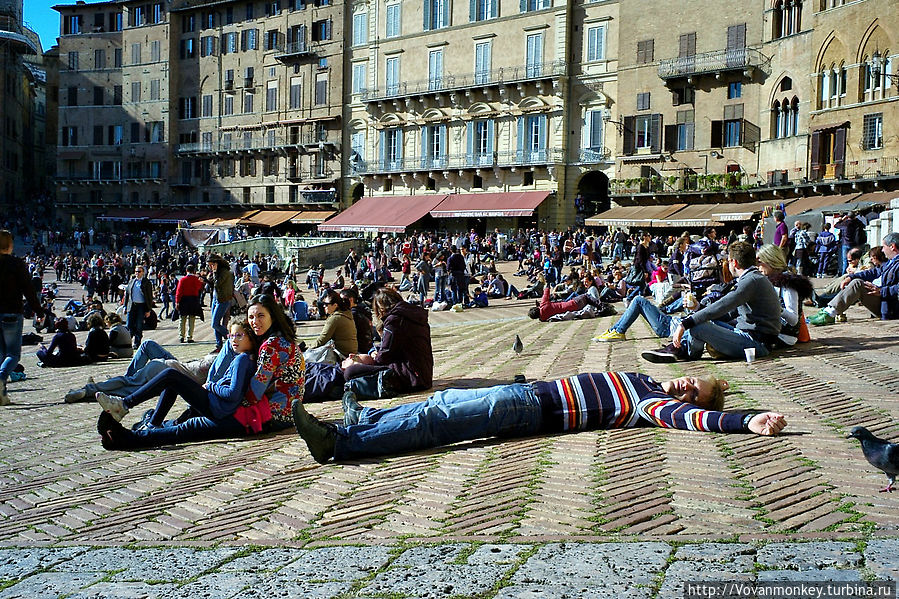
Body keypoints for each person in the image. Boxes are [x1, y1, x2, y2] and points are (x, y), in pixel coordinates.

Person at [292, 372, 787, 463]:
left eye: (692, 393)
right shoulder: (649, 379)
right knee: (433, 407)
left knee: (435, 424)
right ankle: (357, 424)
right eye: (691, 379)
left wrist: (744, 421)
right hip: (528, 392)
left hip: (532, 410)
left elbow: (693, 422)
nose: (683, 385)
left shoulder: (654, 406)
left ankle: (339, 442)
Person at [96, 318, 258, 449]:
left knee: (171, 375)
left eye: (239, 335)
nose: (233, 340)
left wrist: (211, 386)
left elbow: (233, 393)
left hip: (217, 407)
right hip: (217, 404)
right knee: (172, 380)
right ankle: (150, 422)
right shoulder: (243, 358)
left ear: (251, 338)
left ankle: (125, 405)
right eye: (231, 336)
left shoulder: (242, 359)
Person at [641, 242, 782, 363]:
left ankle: (684, 351)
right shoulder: (754, 279)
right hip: (753, 337)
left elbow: (723, 305)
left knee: (697, 327)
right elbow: (728, 313)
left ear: (734, 262)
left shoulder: (751, 281)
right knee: (699, 321)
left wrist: (685, 324)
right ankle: (680, 347)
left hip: (757, 343)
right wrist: (698, 309)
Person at [341, 287, 433, 399]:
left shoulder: (395, 320)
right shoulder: (413, 316)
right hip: (422, 373)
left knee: (351, 372)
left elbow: (385, 354)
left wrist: (374, 356)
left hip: (412, 376)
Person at [240, 294, 305, 432]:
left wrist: (233, 403)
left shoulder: (272, 345)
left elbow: (257, 388)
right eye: (251, 317)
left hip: (275, 415)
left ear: (273, 317)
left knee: (202, 423)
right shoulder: (282, 338)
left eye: (261, 316)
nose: (255, 322)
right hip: (290, 412)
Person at [808, 232, 899, 325]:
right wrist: (851, 277)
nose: (883, 250)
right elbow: (873, 272)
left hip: (892, 308)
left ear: (892, 247)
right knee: (855, 281)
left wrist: (881, 291)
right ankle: (828, 310)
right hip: (884, 302)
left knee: (857, 284)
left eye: (884, 247)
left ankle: (829, 313)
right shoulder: (891, 262)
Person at [0, 230, 44, 404]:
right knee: (13, 354)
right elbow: (28, 289)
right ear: (10, 244)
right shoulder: (16, 264)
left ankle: (2, 395)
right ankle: (1, 378)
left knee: (1, 353)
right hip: (11, 312)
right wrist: (39, 312)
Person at [756, 244, 813, 347]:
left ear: (770, 261)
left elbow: (793, 319)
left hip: (784, 335)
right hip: (773, 330)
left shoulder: (786, 283)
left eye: (760, 262)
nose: (757, 266)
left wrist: (776, 308)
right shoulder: (769, 280)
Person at [527, 273, 605, 322]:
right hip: (571, 304)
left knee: (583, 298)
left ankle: (599, 307)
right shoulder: (543, 305)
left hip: (574, 309)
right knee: (586, 296)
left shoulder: (543, 318)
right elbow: (546, 293)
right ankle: (602, 306)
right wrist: (547, 285)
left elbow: (542, 314)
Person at [311, 289, 357, 356]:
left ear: (335, 305)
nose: (324, 306)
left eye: (326, 304)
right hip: (351, 352)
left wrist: (308, 349)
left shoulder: (335, 318)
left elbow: (323, 339)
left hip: (342, 354)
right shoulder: (346, 314)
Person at [123, 264, 155, 349]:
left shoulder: (146, 282)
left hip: (141, 306)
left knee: (139, 325)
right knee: (129, 325)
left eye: (139, 271)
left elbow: (149, 297)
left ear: (143, 272)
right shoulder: (131, 281)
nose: (137, 273)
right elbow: (127, 295)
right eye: (136, 271)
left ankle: (137, 343)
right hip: (132, 305)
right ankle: (127, 342)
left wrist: (148, 310)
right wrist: (124, 306)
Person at [209, 254, 235, 352]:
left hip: (223, 300)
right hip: (216, 299)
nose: (211, 267)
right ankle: (219, 345)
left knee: (215, 324)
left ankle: (231, 337)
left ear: (217, 264)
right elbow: (213, 286)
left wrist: (214, 273)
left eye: (212, 265)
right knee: (216, 323)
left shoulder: (224, 272)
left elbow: (217, 284)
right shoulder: (219, 272)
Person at [175, 264, 204, 344]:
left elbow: (179, 291)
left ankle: (181, 336)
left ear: (186, 270)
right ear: (194, 271)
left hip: (184, 300)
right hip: (193, 300)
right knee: (192, 319)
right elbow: (199, 288)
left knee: (182, 319)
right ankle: (189, 337)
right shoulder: (196, 279)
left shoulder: (182, 279)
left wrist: (177, 301)